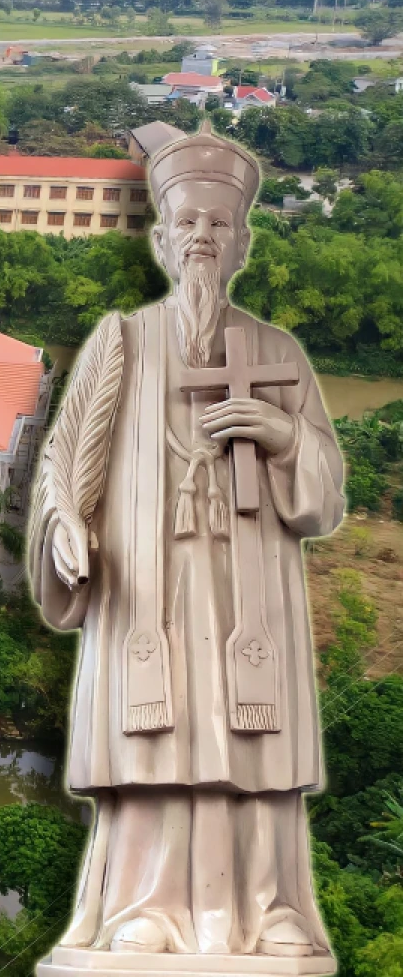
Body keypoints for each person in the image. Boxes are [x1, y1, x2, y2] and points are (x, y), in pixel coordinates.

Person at [26, 128, 341, 971]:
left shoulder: (276, 353)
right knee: (158, 736)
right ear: (162, 241)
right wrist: (64, 527)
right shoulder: (121, 342)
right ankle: (145, 906)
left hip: (248, 584)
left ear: (240, 244)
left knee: (249, 735)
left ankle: (266, 906)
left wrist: (282, 434)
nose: (202, 236)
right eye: (187, 222)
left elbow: (324, 496)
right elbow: (65, 463)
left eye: (218, 223)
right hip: (146, 583)